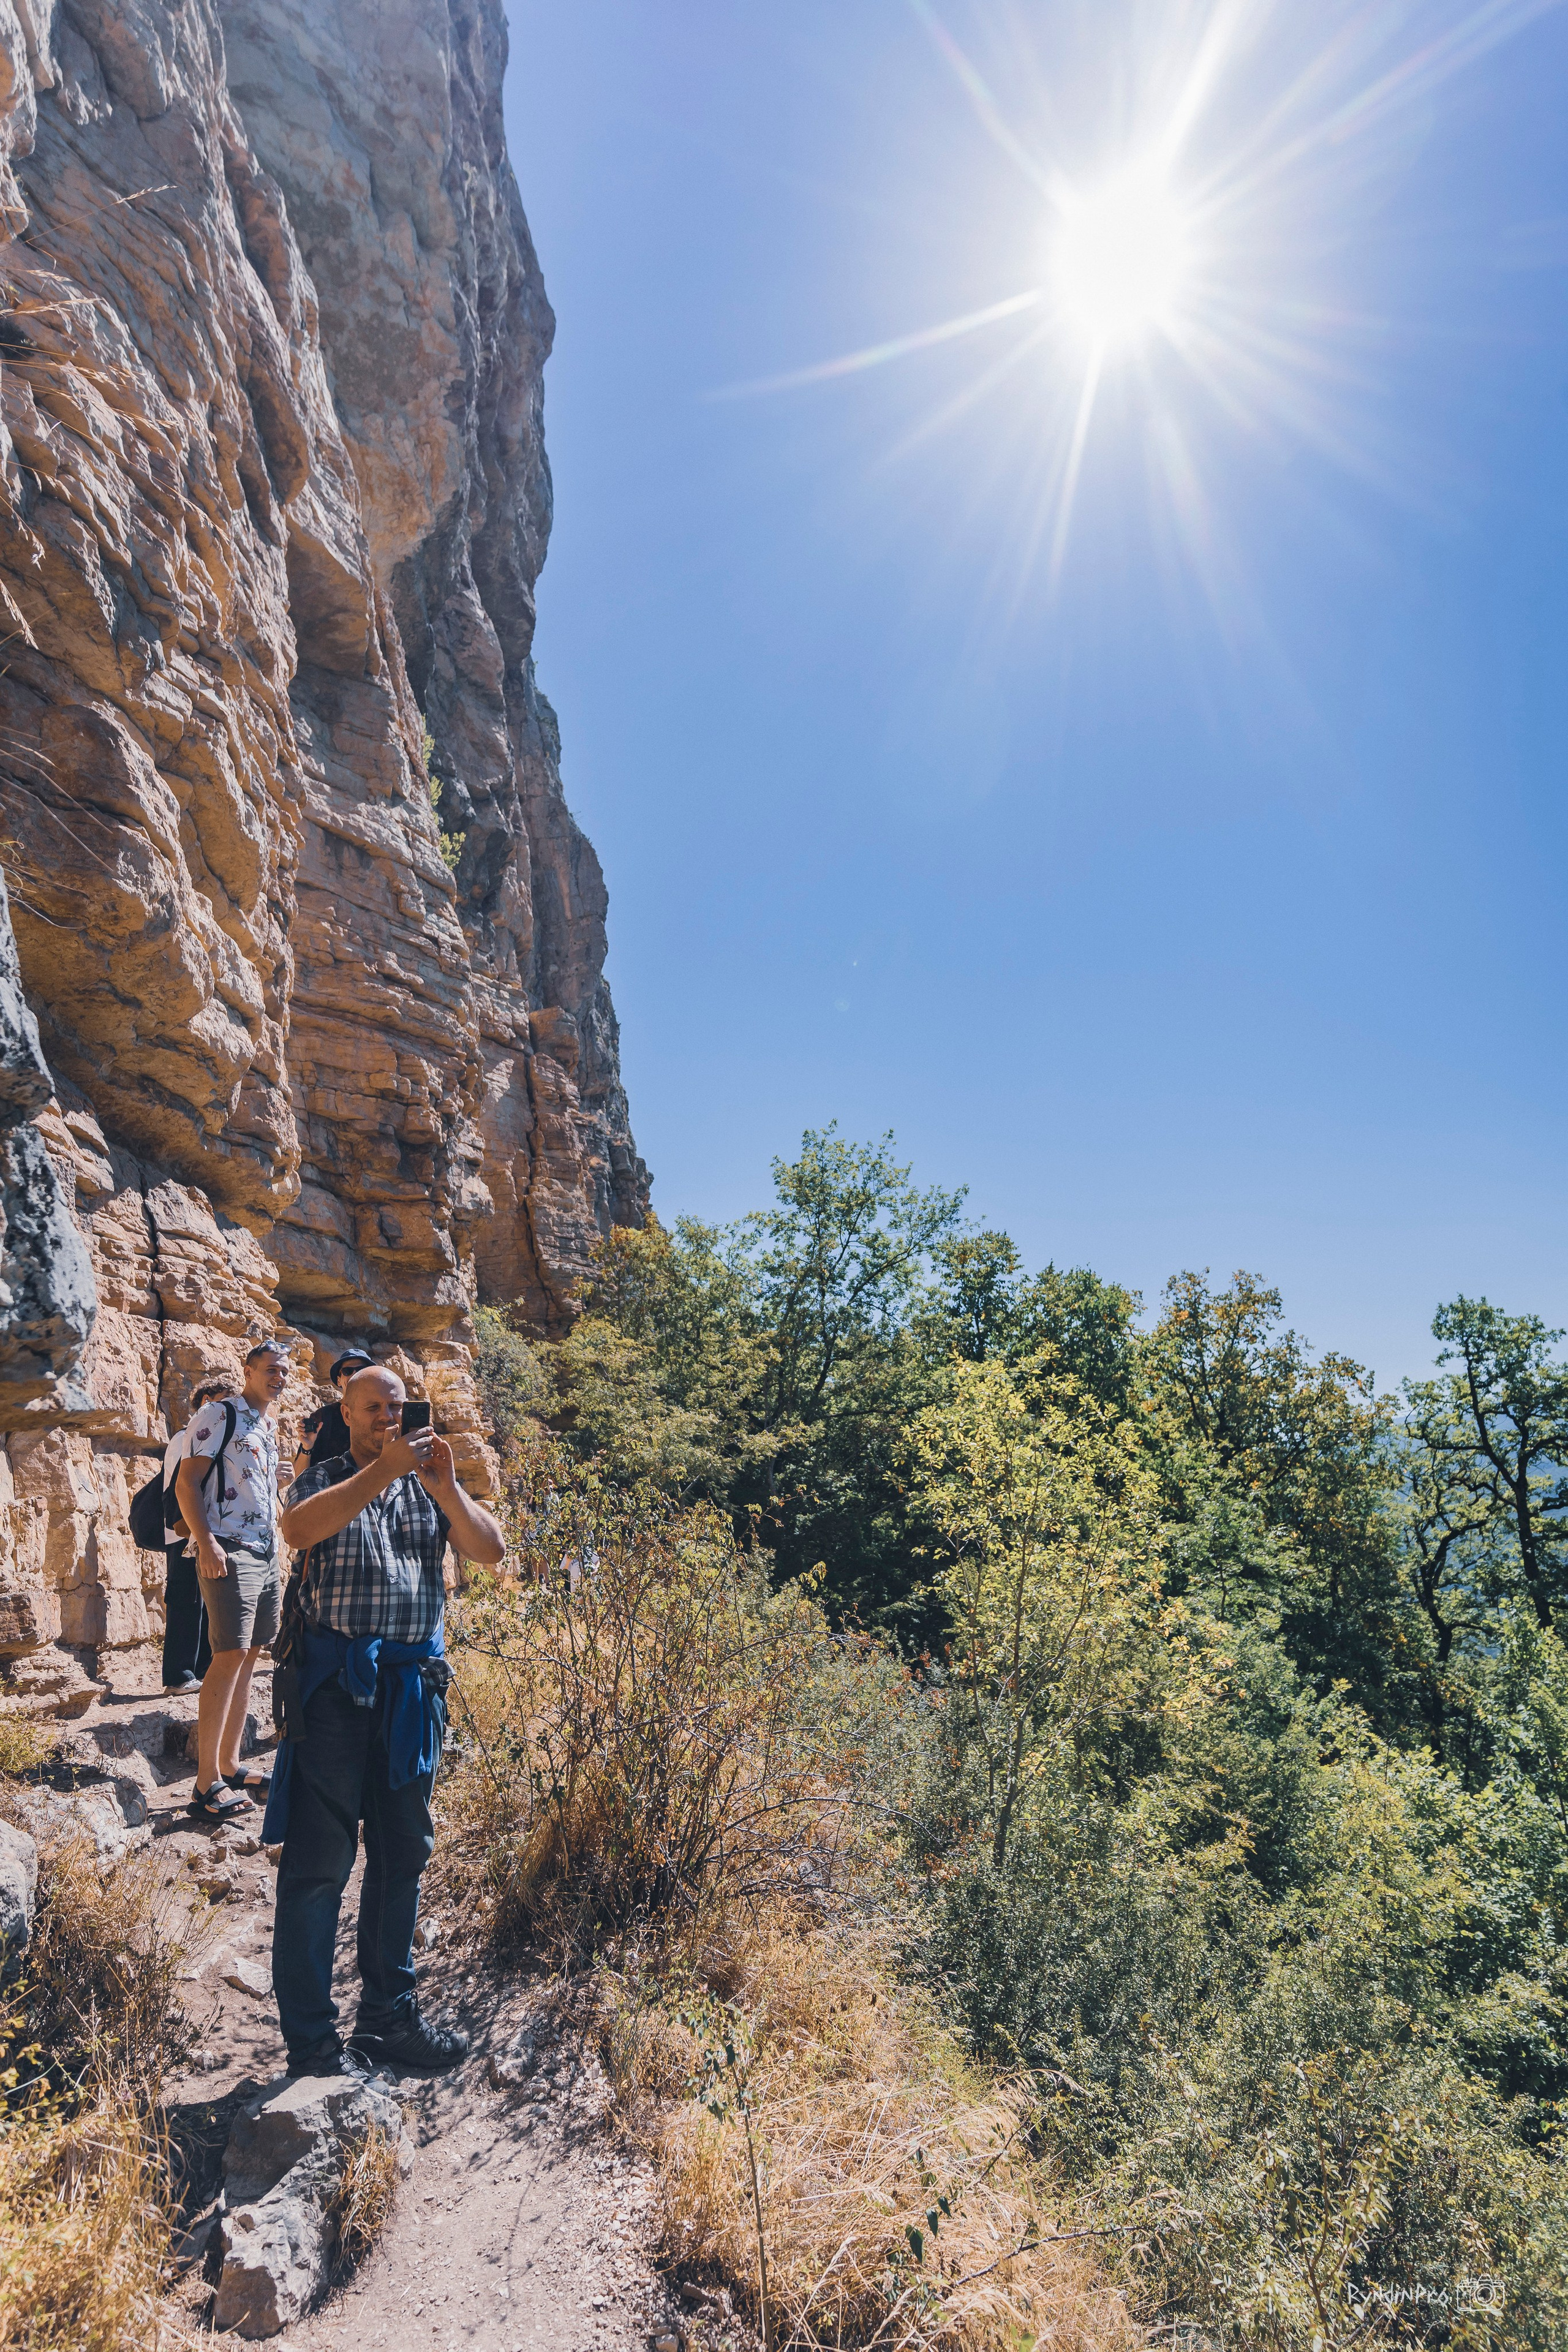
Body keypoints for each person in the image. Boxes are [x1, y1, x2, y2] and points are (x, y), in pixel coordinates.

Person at [267, 1364, 504, 2077]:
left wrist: (448, 1486)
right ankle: (312, 2046)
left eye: (396, 1408)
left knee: (403, 1853)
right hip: (336, 1694)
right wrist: (385, 1471)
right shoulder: (327, 1478)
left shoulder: (430, 1486)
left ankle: (387, 2021)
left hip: (412, 1694)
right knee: (318, 1864)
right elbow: (297, 1527)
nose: (386, 1419)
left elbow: (490, 1551)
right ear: (346, 1411)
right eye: (373, 1408)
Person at [176, 1339, 291, 1823]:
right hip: (226, 1546)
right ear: (248, 1370)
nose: (278, 1378)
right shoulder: (218, 1414)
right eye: (270, 1370)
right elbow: (188, 1483)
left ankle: (229, 1764)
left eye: (284, 1372)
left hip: (265, 1551)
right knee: (227, 1655)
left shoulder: (267, 1425)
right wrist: (206, 1542)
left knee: (249, 1654)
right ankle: (205, 1785)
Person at [159, 1375, 233, 1692]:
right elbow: (183, 1487)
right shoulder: (186, 1437)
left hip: (199, 1530)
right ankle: (178, 1675)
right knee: (185, 1599)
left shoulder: (203, 1437)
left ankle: (200, 1672)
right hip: (183, 1533)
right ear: (207, 1401)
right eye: (224, 1401)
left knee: (203, 1600)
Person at [292, 1347, 375, 1479]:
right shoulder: (323, 1418)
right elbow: (298, 1476)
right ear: (339, 1380)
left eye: (361, 1370)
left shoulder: (383, 1414)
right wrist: (307, 1447)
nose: (354, 1375)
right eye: (348, 1371)